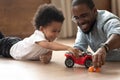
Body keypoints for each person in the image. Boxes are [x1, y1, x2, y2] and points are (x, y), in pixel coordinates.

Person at [0, 4, 79, 64]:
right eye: (54, 31)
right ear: (42, 29)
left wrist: (47, 58)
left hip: (18, 42)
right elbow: (49, 45)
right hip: (9, 47)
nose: (56, 34)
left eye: (59, 31)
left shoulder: (49, 39)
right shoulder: (39, 36)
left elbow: (49, 51)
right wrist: (67, 47)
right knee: (1, 41)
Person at [71, 0, 120, 68]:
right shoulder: (83, 25)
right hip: (110, 65)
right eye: (76, 18)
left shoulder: (107, 20)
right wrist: (74, 51)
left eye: (84, 16)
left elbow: (118, 35)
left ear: (94, 11)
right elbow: (79, 46)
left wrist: (104, 48)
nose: (81, 21)